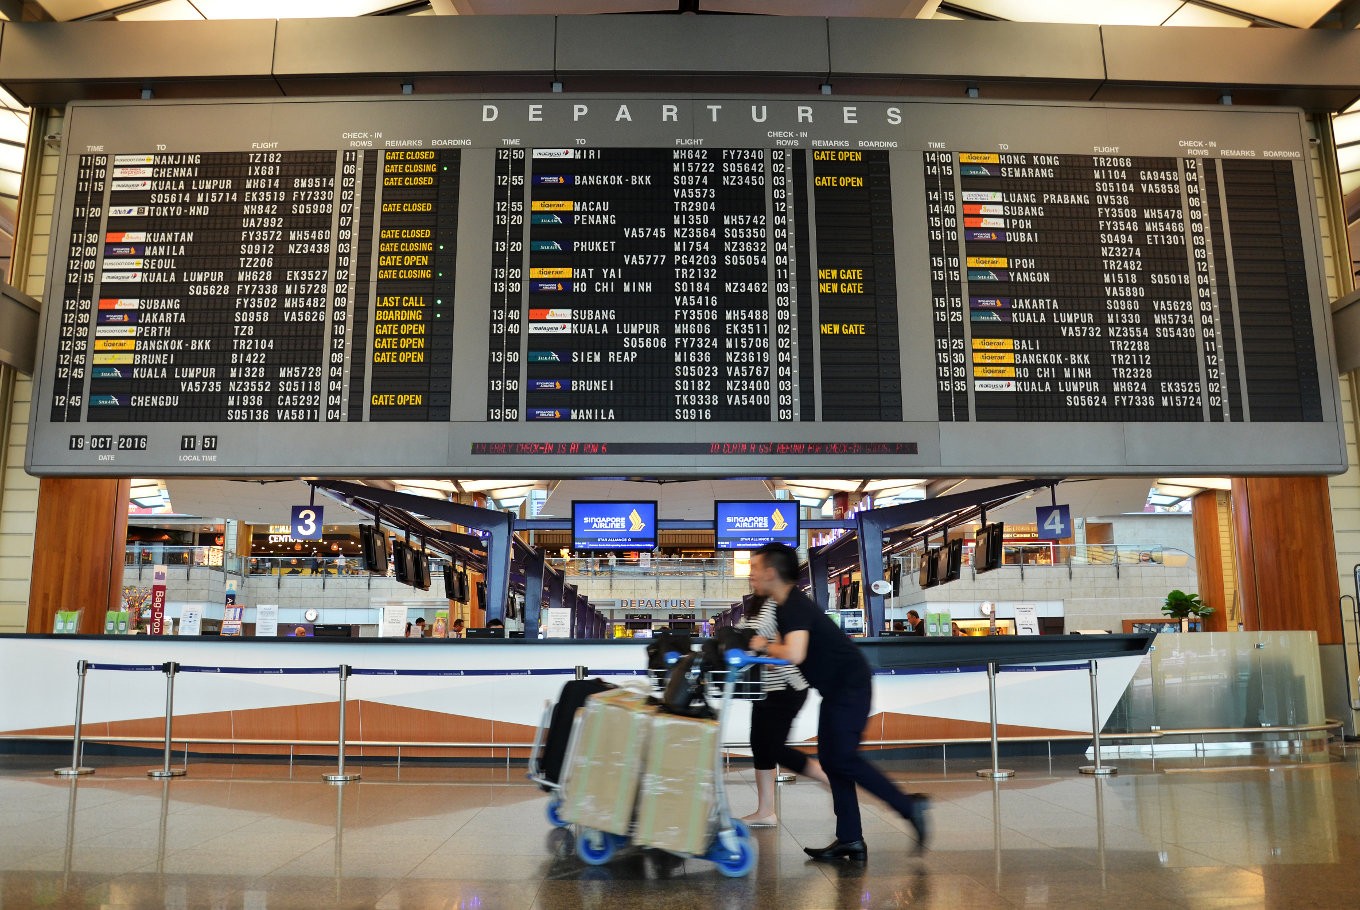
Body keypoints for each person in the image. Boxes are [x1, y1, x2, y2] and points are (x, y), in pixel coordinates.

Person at [748, 542, 930, 861]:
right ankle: (850, 839)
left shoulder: (793, 605)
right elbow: (785, 647)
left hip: (850, 686)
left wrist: (762, 645)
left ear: (771, 572)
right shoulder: (785, 605)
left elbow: (794, 652)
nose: (751, 575)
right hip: (836, 690)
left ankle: (908, 805)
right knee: (832, 760)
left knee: (842, 759)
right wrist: (762, 647)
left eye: (754, 569)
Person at [736, 594, 826, 826]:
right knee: (760, 747)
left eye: (757, 568)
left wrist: (766, 650)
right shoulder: (757, 604)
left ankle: (833, 780)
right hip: (764, 689)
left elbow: (786, 644)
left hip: (786, 686)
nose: (752, 574)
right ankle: (765, 812)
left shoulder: (780, 603)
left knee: (775, 748)